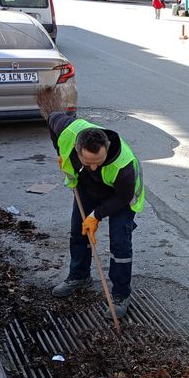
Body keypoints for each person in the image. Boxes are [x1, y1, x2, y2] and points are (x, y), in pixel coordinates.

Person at [35, 87, 144, 319]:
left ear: (106, 149)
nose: (94, 165)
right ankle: (79, 276)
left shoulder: (123, 166)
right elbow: (52, 121)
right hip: (87, 188)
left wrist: (96, 215)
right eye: (88, 161)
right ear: (77, 148)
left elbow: (123, 198)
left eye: (99, 161)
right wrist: (59, 152)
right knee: (78, 232)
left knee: (120, 244)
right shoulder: (65, 129)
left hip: (120, 196)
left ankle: (121, 294)